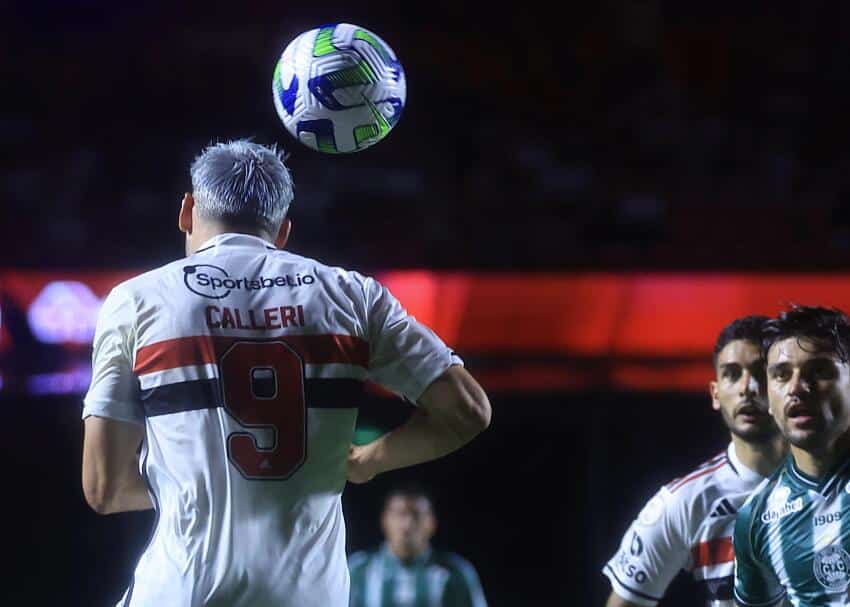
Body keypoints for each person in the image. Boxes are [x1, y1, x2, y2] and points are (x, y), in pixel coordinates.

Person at [80, 140, 492, 607]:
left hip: (181, 592)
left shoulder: (137, 300)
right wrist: (369, 460)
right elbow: (468, 410)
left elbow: (104, 487)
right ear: (282, 232)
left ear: (187, 211)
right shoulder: (354, 296)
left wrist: (202, 484)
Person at [602, 316, 787, 607]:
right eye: (732, 374)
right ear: (715, 394)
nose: (747, 387)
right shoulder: (683, 502)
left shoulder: (838, 486)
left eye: (761, 372)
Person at [733, 305, 850, 607]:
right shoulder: (755, 520)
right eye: (781, 375)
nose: (797, 387)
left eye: (819, 371)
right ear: (768, 399)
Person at [348, 484, 487, 607]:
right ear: (385, 520)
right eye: (400, 514)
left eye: (417, 515)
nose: (407, 524)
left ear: (432, 523)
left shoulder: (456, 572)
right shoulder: (357, 571)